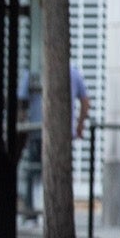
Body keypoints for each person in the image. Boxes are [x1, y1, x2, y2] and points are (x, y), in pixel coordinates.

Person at [18, 61, 91, 220]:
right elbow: (86, 102)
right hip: (62, 132)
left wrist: (22, 127)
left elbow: (22, 102)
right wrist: (79, 126)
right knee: (57, 172)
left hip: (37, 130)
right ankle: (55, 213)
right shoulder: (73, 72)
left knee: (32, 172)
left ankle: (31, 213)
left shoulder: (33, 73)